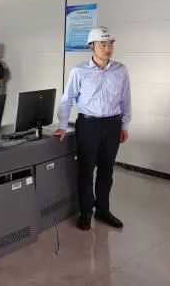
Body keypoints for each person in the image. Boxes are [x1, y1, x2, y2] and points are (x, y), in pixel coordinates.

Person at [53, 26, 131, 231]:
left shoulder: (120, 70)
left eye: (110, 44)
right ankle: (86, 212)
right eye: (102, 44)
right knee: (86, 171)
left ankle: (103, 210)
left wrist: (124, 124)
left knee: (107, 171)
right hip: (88, 125)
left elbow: (126, 99)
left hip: (113, 125)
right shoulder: (79, 71)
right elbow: (67, 100)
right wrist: (62, 126)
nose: (108, 48)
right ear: (92, 46)